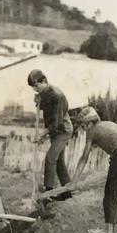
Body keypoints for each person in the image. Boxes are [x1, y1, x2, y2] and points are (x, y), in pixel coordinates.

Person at [27, 69, 73, 201]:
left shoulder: (57, 95)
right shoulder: (44, 93)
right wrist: (38, 102)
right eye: (32, 87)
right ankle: (67, 193)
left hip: (63, 130)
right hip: (54, 130)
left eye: (36, 86)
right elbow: (46, 108)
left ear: (44, 81)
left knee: (51, 158)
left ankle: (49, 192)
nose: (35, 89)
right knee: (59, 162)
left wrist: (43, 134)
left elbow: (57, 122)